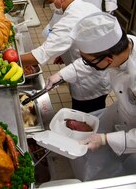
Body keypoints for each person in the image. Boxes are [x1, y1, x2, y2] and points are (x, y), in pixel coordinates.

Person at [47, 12, 136, 180]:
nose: (86, 63)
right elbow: (91, 61)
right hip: (123, 113)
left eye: (88, 60)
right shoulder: (122, 46)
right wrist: (60, 75)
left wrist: (105, 139)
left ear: (109, 60)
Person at [21, 0, 110, 113]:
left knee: (87, 116)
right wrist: (65, 54)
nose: (52, 5)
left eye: (51, 1)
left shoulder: (70, 20)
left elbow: (40, 55)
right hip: (98, 72)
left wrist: (11, 58)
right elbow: (85, 39)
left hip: (89, 82)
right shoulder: (87, 6)